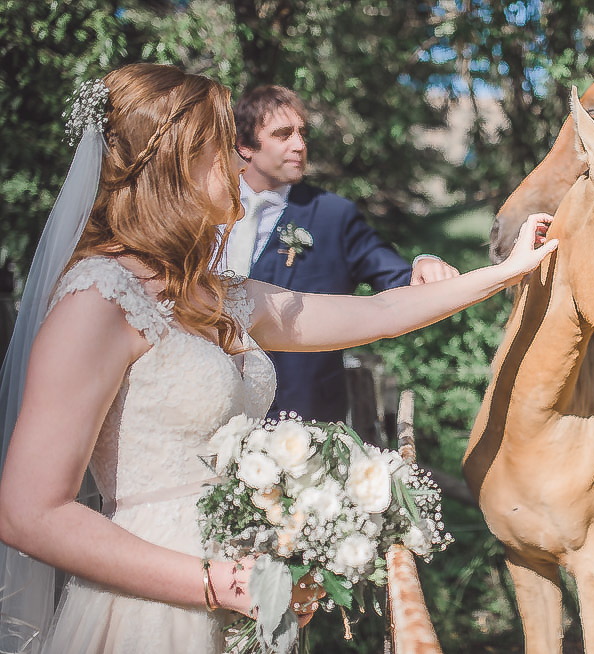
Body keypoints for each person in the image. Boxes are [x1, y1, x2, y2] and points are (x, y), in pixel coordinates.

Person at [0, 63, 556, 654]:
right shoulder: (98, 300)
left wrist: (504, 272)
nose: (240, 163)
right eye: (220, 147)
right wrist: (216, 584)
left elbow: (381, 313)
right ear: (172, 165)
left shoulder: (229, 296)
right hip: (154, 609)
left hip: (252, 599)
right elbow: (29, 513)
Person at [227, 85, 459, 424]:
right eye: (283, 134)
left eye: (302, 133)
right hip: (222, 408)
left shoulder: (334, 216)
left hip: (304, 417)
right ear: (245, 146)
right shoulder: (211, 207)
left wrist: (424, 261)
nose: (300, 145)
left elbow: (397, 277)